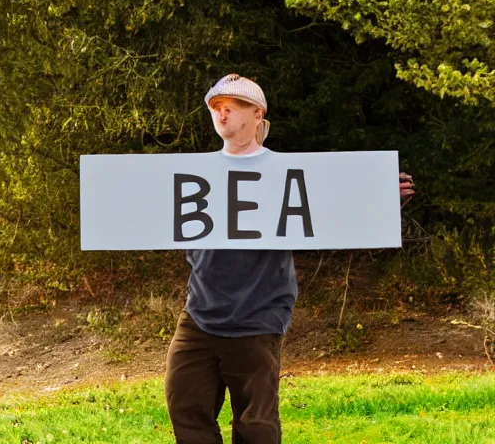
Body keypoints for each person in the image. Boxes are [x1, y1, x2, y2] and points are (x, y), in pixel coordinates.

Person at [164, 74, 415, 444]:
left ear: (256, 113)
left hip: (258, 316)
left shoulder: (284, 173)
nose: (222, 113)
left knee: (256, 426)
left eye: (231, 106)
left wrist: (376, 198)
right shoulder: (194, 176)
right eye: (216, 107)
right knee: (185, 407)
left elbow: (329, 209)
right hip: (199, 314)